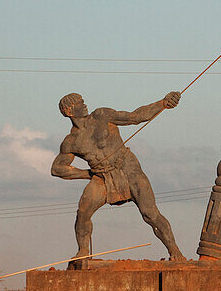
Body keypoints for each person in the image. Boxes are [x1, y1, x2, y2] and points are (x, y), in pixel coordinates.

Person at [51, 91, 187, 268]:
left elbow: (136, 117)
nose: (84, 105)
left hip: (128, 168)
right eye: (79, 103)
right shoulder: (71, 141)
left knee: (150, 213)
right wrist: (87, 173)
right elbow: (57, 168)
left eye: (83, 101)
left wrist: (162, 103)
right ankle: (83, 251)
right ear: (69, 111)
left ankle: (174, 250)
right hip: (102, 177)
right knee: (83, 212)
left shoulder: (101, 115)